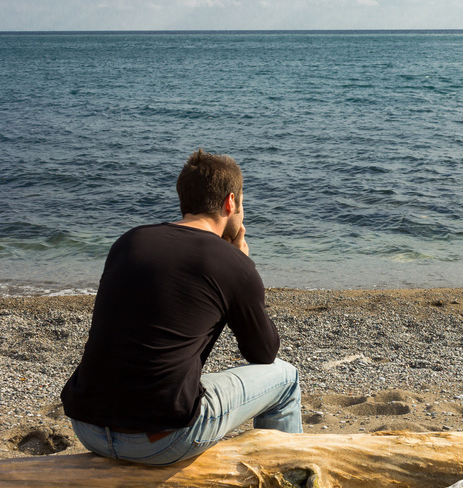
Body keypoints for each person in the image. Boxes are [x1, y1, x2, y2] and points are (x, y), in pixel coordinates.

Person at [61, 149, 302, 465]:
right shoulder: (232, 263)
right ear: (231, 202)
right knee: (285, 377)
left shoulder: (129, 241)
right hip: (161, 439)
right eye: (242, 203)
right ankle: (288, 477)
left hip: (87, 426)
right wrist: (242, 265)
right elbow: (264, 353)